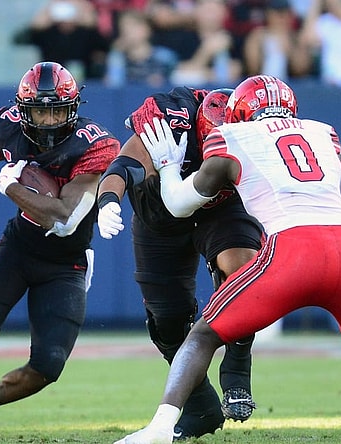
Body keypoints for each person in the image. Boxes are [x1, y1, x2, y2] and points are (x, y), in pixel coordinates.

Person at [115, 74, 341, 444]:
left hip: (294, 251)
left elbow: (177, 204)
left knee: (203, 335)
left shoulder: (231, 136)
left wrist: (168, 165)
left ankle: (159, 429)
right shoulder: (323, 133)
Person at [0, 61, 119, 437]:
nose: (49, 121)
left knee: (48, 366)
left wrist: (12, 189)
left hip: (66, 263)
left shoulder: (94, 144)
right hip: (19, 249)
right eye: (40, 110)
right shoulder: (8, 125)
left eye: (57, 111)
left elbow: (63, 216)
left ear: (73, 108)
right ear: (23, 111)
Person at [96, 86, 262, 439]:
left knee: (243, 268)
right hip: (160, 217)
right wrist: (109, 200)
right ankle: (200, 404)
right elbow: (125, 163)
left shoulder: (253, 120)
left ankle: (237, 365)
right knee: (168, 319)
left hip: (221, 209)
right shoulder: (173, 118)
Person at [13, 0, 111, 80]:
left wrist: (93, 24)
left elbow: (106, 46)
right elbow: (18, 40)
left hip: (86, 82)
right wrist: (35, 24)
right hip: (51, 83)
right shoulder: (47, 34)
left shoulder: (86, 33)